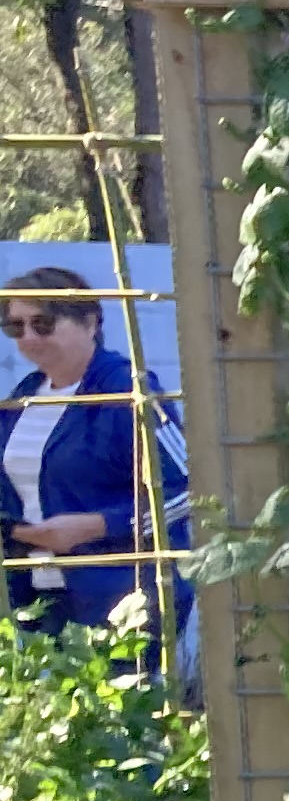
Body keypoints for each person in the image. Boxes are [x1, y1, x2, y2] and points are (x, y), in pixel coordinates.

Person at [0, 266, 186, 655]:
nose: (29, 338)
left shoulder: (130, 392)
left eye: (43, 324)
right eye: (16, 328)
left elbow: (187, 493)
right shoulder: (24, 397)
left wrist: (93, 526)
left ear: (90, 321)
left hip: (121, 597)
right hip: (36, 594)